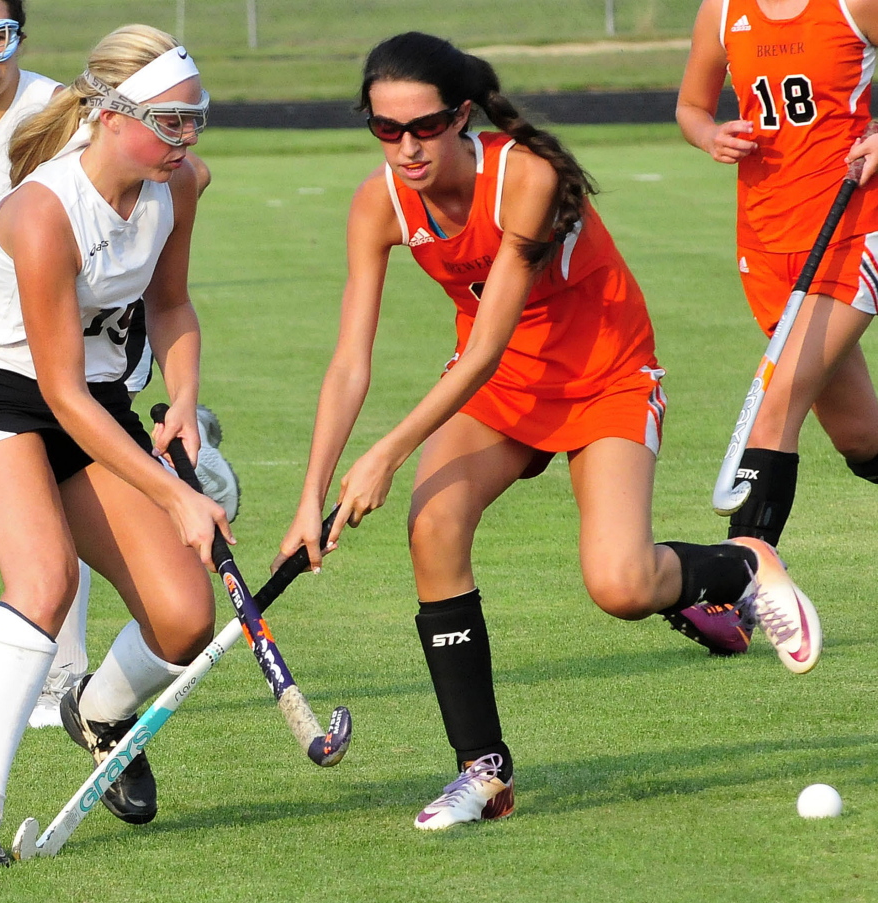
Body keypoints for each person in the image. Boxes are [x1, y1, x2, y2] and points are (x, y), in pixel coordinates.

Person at [275, 31, 823, 832]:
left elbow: (489, 335)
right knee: (433, 526)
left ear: (460, 116)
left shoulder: (522, 177)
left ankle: (740, 563)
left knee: (621, 586)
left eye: (422, 127)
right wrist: (309, 495)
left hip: (603, 372)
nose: (405, 148)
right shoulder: (377, 203)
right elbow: (349, 360)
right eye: (384, 130)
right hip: (500, 387)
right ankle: (483, 772)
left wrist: (387, 453)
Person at [0, 24, 231, 867]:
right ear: (108, 113)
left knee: (182, 617)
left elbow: (170, 307)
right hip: (1, 404)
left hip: (100, 407)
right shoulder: (42, 209)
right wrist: (178, 495)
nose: (187, 137)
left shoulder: (178, 185)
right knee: (45, 578)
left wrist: (185, 405)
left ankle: (97, 712)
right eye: (170, 122)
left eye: (196, 117)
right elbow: (54, 388)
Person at [675, 0, 878, 651]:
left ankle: (734, 595)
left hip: (850, 227)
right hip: (766, 241)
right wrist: (709, 135)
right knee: (858, 434)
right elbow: (690, 106)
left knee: (773, 410)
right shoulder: (723, 10)